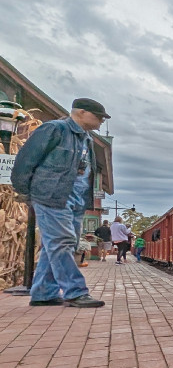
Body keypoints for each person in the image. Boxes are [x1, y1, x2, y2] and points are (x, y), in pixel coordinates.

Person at [9, 98, 108, 307]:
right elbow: (25, 162)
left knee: (55, 245)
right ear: (81, 112)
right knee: (62, 241)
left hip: (76, 201)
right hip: (52, 196)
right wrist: (27, 193)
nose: (101, 121)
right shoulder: (54, 129)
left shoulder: (87, 139)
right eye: (98, 117)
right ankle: (75, 291)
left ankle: (44, 293)